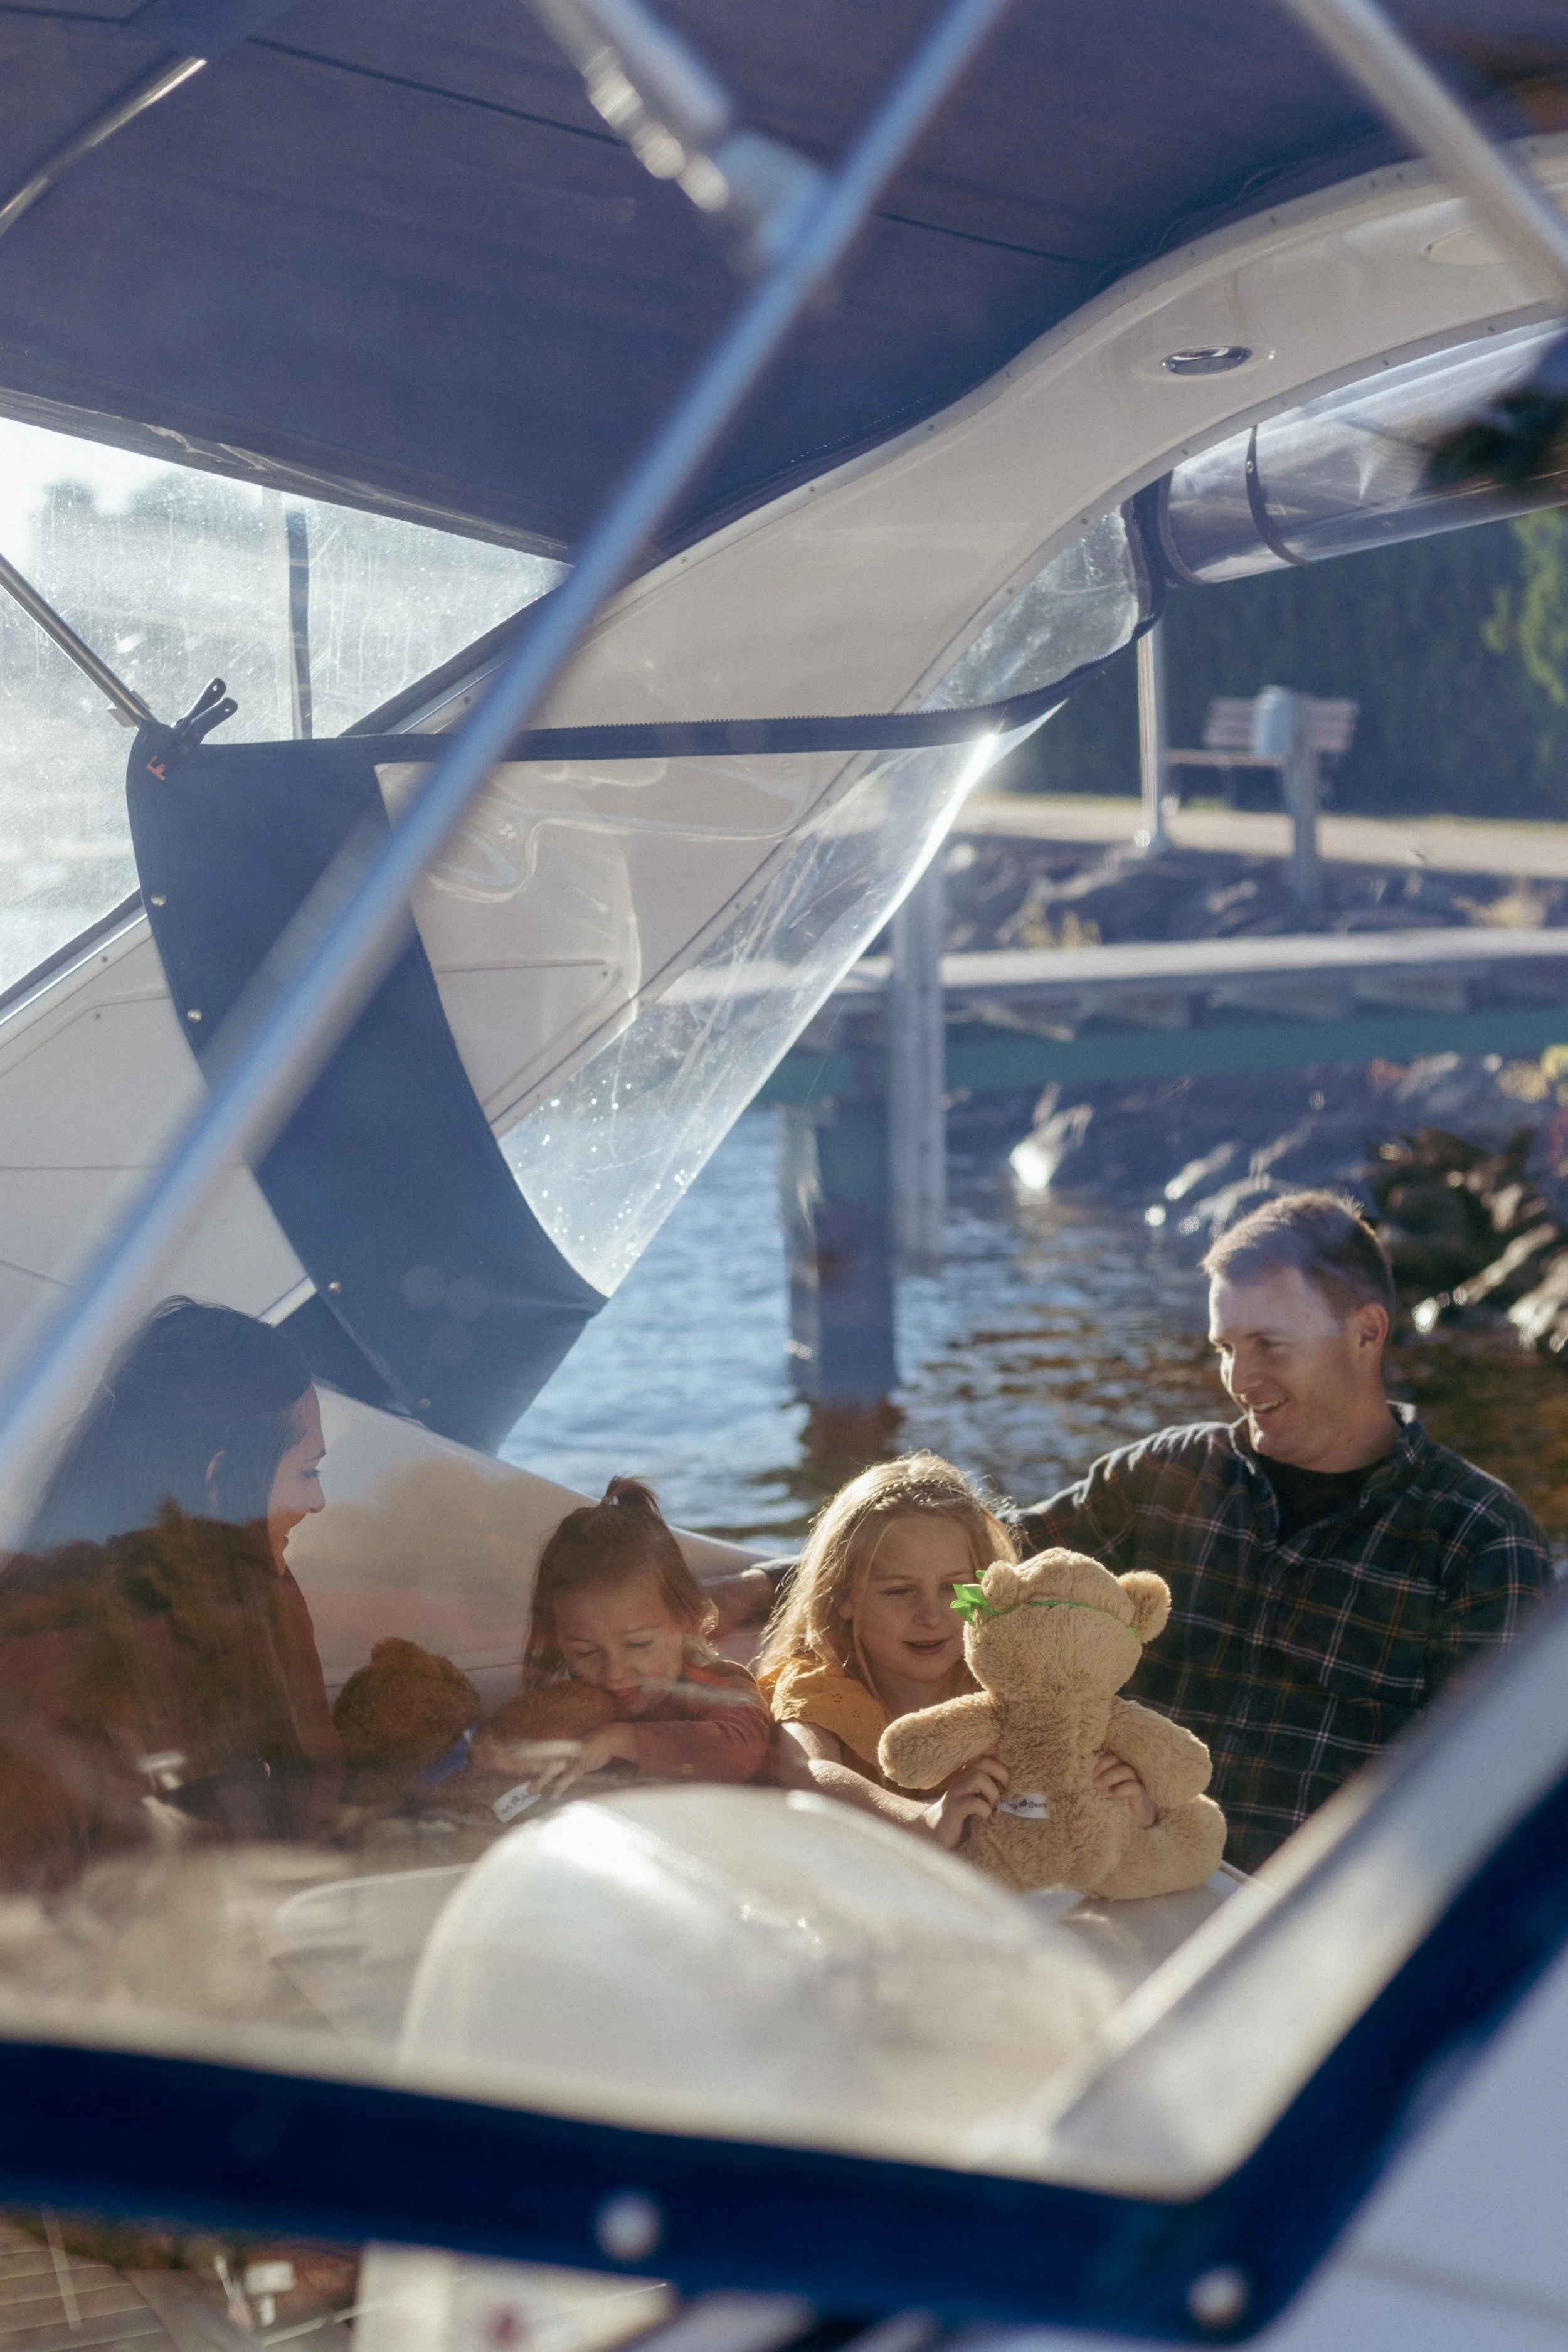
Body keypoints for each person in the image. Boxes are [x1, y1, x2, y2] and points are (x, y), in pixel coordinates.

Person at [1012, 1190, 1553, 1873]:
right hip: (1120, 1878)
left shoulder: (1481, 1540)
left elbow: (1490, 1807)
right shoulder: (1165, 1475)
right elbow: (982, 1569)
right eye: (1225, 1348)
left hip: (1312, 1921)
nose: (1239, 1379)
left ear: (1366, 1333)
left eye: (1268, 1345)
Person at [0, 1298, 342, 1885]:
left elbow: (312, 1789)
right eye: (307, 1472)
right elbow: (26, 1918)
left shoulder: (261, 1596)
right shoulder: (54, 1672)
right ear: (218, 1478)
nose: (318, 1501)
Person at [756, 1452, 1154, 1847]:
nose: (930, 1615)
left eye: (953, 1587)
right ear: (843, 1596)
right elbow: (802, 1771)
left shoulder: (1016, 1679)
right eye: (900, 1591)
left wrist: (1136, 1809)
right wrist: (922, 1820)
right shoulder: (821, 1684)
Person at [520, 1477, 775, 1798]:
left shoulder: (713, 1684)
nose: (614, 1674)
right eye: (585, 1652)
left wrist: (620, 1741)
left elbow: (740, 1749)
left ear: (688, 1620)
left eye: (638, 1644)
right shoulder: (570, 1702)